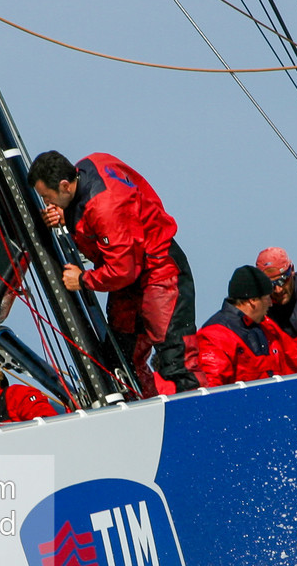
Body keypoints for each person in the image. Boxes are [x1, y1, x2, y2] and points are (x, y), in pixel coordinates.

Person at [27, 150, 199, 396]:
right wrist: (68, 214)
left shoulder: (105, 206)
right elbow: (99, 217)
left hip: (159, 270)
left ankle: (196, 418)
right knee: (120, 362)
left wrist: (83, 279)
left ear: (65, 186)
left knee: (175, 359)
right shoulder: (91, 164)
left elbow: (122, 269)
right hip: (130, 276)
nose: (47, 204)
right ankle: (142, 411)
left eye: (47, 197)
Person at [186, 266, 297, 387]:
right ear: (253, 300)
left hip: (272, 405)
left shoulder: (266, 329)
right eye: (267, 297)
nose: (271, 304)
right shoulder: (216, 335)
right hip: (241, 407)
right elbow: (211, 390)